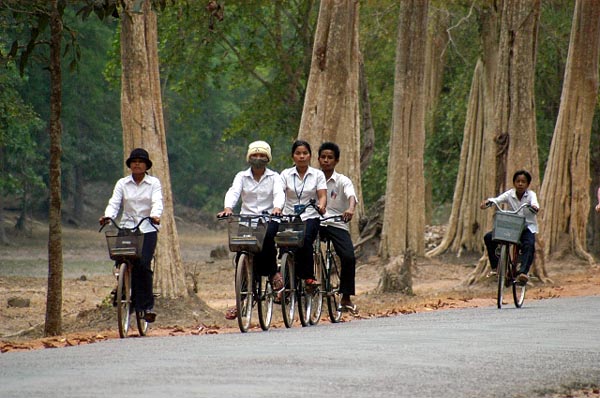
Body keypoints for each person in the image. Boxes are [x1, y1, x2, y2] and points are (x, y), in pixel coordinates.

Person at [217, 141, 285, 319]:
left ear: (268, 158)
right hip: (247, 219)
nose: (258, 158)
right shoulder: (241, 176)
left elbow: (279, 193)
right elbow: (233, 192)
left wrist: (277, 208)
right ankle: (242, 298)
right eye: (255, 155)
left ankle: (272, 273)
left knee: (267, 238)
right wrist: (228, 208)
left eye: (262, 155)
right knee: (242, 252)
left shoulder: (274, 177)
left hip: (269, 218)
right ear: (249, 157)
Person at [99, 148, 163, 323]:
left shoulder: (154, 183)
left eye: (140, 161)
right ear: (130, 165)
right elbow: (114, 202)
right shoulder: (122, 183)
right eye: (134, 161)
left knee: (143, 265)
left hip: (147, 227)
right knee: (121, 259)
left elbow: (157, 201)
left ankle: (146, 306)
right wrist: (108, 216)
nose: (137, 164)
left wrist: (156, 215)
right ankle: (122, 288)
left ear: (146, 165)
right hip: (127, 226)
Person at [480, 169, 539, 285]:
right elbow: (497, 199)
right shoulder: (510, 194)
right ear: (514, 183)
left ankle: (523, 273)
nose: (520, 184)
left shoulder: (531, 195)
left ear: (527, 184)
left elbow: (535, 204)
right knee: (489, 237)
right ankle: (497, 267)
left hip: (526, 227)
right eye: (518, 181)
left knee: (529, 244)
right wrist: (488, 202)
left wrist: (534, 207)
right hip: (512, 226)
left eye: (523, 182)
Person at [318, 142, 358, 312]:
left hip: (336, 222)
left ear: (336, 160)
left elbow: (352, 196)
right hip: (315, 221)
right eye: (323, 157)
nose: (326, 160)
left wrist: (350, 209)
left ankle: (346, 297)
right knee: (299, 247)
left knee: (348, 256)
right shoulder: (312, 178)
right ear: (319, 159)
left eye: (330, 157)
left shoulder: (343, 180)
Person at [280, 140, 327, 286]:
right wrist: (276, 208)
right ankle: (285, 282)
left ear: (310, 156)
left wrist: (322, 206)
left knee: (305, 239)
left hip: (310, 215)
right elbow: (279, 194)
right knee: (284, 243)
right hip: (288, 215)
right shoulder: (285, 174)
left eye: (305, 153)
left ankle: (308, 277)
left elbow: (322, 195)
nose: (301, 156)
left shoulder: (317, 175)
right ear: (292, 156)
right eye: (298, 153)